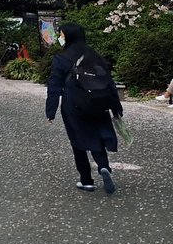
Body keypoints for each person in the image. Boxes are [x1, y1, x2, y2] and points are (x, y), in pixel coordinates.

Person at [45, 22, 123, 193]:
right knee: (98, 137)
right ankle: (104, 167)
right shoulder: (94, 54)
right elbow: (108, 82)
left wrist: (50, 111)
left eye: (62, 35)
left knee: (77, 140)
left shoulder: (61, 58)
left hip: (73, 104)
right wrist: (116, 107)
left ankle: (86, 180)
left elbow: (54, 85)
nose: (61, 37)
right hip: (99, 102)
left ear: (69, 36)